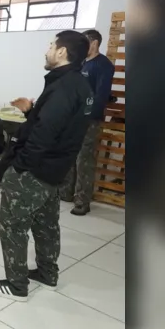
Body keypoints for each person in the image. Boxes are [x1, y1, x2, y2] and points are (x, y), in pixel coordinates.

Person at [0, 30, 93, 302]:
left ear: (62, 52)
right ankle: (47, 273)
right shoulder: (80, 85)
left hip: (35, 170)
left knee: (12, 224)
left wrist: (19, 168)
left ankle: (16, 284)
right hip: (55, 171)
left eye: (51, 45)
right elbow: (59, 126)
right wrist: (31, 111)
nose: (47, 49)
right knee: (46, 225)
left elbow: (45, 134)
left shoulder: (63, 87)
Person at [59, 29, 116, 216]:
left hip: (89, 120)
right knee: (69, 156)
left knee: (84, 160)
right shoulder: (81, 63)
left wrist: (87, 115)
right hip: (72, 118)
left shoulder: (103, 65)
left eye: (85, 42)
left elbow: (101, 96)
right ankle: (66, 192)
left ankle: (82, 201)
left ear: (94, 43)